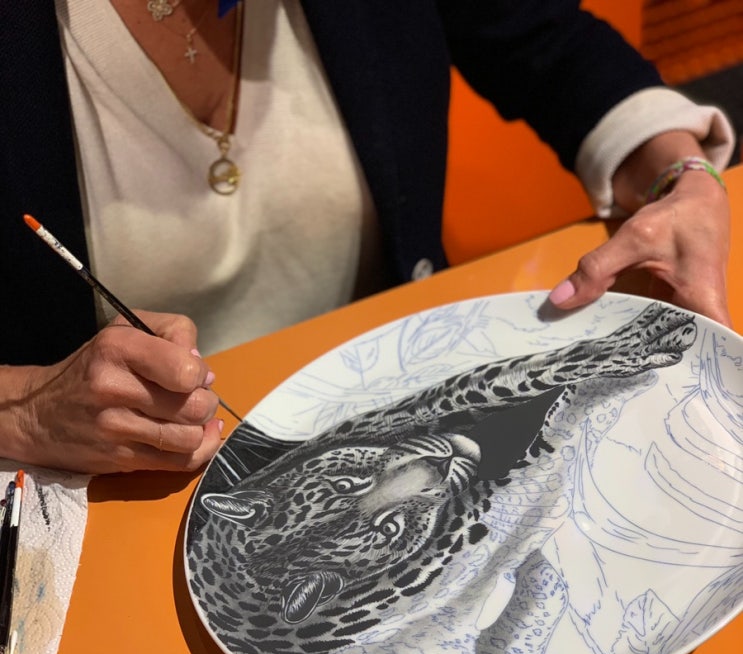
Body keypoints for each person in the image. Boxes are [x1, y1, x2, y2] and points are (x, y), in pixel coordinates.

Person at [0, 1, 734, 475]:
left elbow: (546, 40)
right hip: (115, 485)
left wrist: (682, 172)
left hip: (396, 410)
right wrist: (28, 407)